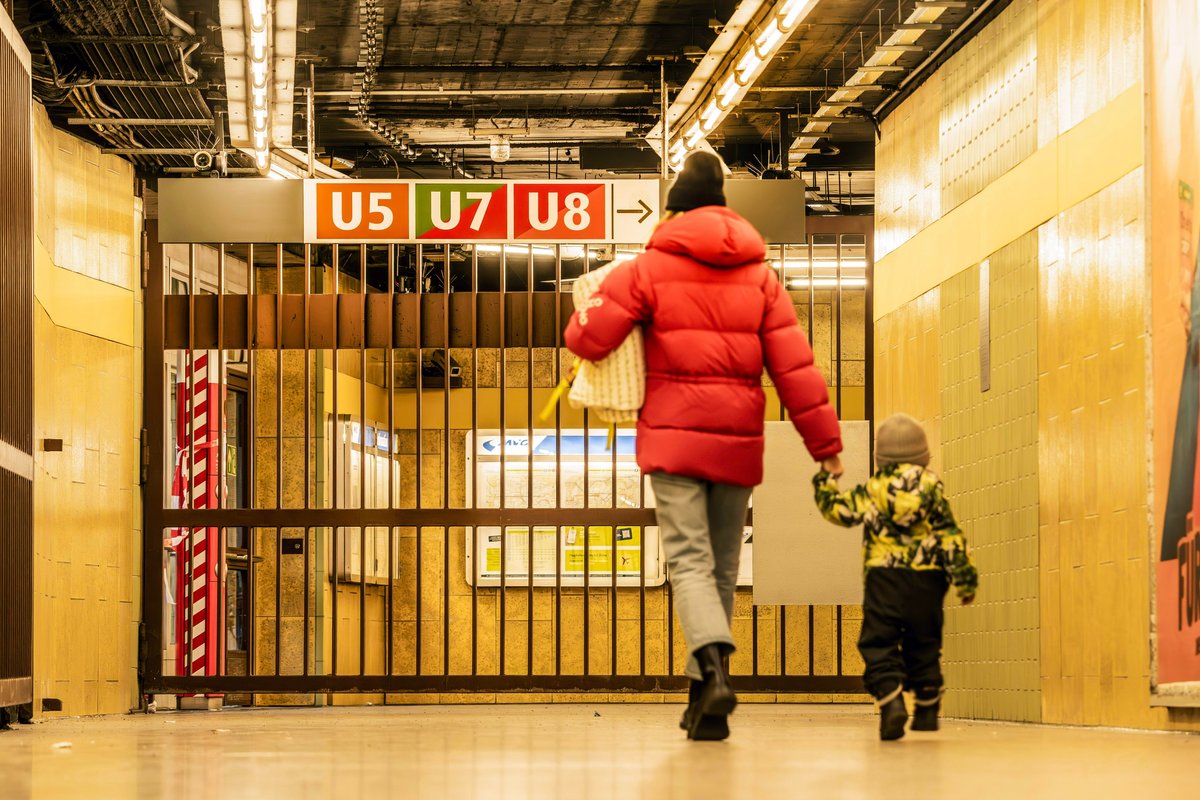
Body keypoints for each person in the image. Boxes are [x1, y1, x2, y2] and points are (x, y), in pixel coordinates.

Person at [564, 152, 843, 741]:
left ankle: (713, 673)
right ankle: (703, 707)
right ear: (723, 209)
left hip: (672, 440)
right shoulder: (760, 275)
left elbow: (588, 341)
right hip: (738, 441)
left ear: (673, 207)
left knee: (688, 563)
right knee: (718, 568)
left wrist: (592, 302)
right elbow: (795, 366)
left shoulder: (646, 269)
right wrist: (826, 445)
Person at [812, 413, 978, 741]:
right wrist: (965, 580)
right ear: (924, 456)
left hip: (883, 577)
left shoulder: (873, 489)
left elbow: (837, 511)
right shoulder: (933, 490)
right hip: (928, 580)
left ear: (880, 457)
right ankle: (928, 705)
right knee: (925, 640)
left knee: (878, 641)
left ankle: (891, 702)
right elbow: (950, 537)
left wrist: (825, 479)